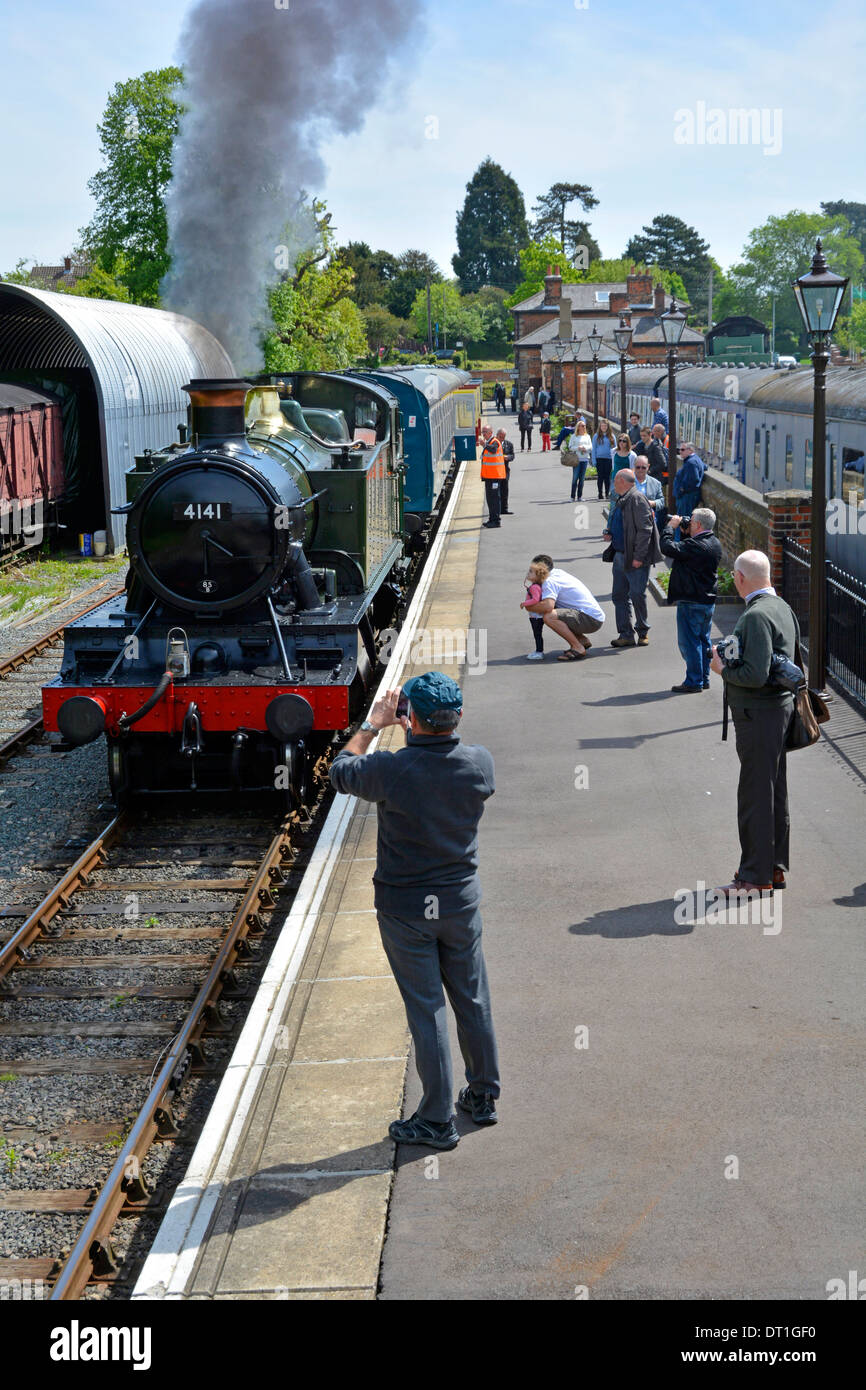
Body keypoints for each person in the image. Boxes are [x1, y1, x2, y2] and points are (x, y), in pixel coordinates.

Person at [329, 674, 499, 1148]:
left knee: (427, 1011)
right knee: (473, 999)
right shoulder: (479, 763)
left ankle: (435, 1119)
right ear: (458, 716)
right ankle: (482, 1096)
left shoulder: (389, 769)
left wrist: (372, 723)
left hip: (406, 909)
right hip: (461, 903)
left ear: (410, 719)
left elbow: (340, 769)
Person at [709, 551, 799, 897]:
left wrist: (722, 670)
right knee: (774, 791)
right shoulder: (782, 608)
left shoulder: (757, 616)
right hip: (778, 712)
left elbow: (754, 674)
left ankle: (753, 878)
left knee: (755, 796)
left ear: (740, 578)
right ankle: (773, 869)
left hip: (758, 715)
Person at [659, 507, 723, 692]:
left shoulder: (696, 546)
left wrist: (671, 527)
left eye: (692, 520)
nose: (689, 522)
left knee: (690, 643)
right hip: (706, 601)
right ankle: (703, 678)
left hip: (692, 601)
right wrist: (687, 534)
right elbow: (688, 555)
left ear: (698, 524)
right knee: (704, 641)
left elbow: (667, 547)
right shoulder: (714, 543)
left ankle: (694, 682)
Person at [602, 469, 661, 647]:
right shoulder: (622, 498)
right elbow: (619, 521)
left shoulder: (636, 499)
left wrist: (638, 557)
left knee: (636, 595)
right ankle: (626, 634)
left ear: (622, 481)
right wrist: (609, 531)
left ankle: (642, 631)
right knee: (619, 596)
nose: (613, 483)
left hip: (634, 558)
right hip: (620, 554)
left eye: (615, 480)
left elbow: (645, 531)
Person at [521, 553, 605, 661]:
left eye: (532, 570)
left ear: (540, 571)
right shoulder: (558, 572)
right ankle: (582, 640)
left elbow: (548, 606)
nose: (529, 572)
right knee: (557, 611)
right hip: (593, 616)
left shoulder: (549, 581)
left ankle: (578, 647)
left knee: (549, 616)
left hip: (590, 619)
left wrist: (529, 607)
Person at [673, 441, 706, 521]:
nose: (680, 451)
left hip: (687, 498)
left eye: (682, 450)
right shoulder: (694, 460)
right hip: (687, 497)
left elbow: (694, 480)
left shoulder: (691, 463)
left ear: (690, 450)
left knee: (682, 522)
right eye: (679, 449)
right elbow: (705, 467)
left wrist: (681, 490)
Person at [479, 426, 505, 527]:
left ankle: (496, 521)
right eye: (482, 432)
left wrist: (484, 444)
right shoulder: (489, 442)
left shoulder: (495, 441)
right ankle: (491, 519)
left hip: (495, 476)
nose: (483, 434)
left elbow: (493, 450)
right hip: (489, 476)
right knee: (490, 499)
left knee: (494, 499)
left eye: (485, 432)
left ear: (491, 432)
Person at [520, 562, 546, 660]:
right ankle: (538, 650)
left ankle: (539, 652)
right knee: (537, 633)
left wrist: (524, 603)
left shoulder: (534, 587)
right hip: (535, 615)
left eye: (531, 572)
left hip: (536, 616)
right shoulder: (536, 586)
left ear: (537, 576)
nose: (528, 573)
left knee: (537, 634)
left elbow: (535, 599)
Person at [563, 419, 592, 500]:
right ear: (578, 427)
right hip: (576, 460)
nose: (583, 427)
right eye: (581, 425)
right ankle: (572, 497)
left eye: (584, 426)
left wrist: (585, 448)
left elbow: (591, 447)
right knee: (575, 478)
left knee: (582, 479)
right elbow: (570, 447)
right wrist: (578, 448)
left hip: (585, 459)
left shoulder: (587, 436)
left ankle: (579, 496)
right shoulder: (574, 436)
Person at [591, 419, 615, 499]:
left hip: (608, 459)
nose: (604, 427)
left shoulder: (612, 436)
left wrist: (614, 461)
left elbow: (615, 449)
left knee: (607, 477)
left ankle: (607, 493)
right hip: (599, 459)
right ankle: (600, 493)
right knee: (600, 477)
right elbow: (593, 449)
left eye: (605, 426)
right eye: (602, 426)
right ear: (600, 427)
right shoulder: (596, 436)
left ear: (608, 427)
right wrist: (593, 460)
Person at [496, 427, 514, 512]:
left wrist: (508, 457)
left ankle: (504, 508)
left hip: (505, 470)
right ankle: (497, 508)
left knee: (505, 489)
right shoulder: (493, 444)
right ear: (497, 435)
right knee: (497, 491)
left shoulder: (509, 444)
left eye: (503, 437)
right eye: (500, 436)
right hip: (495, 471)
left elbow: (512, 455)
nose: (501, 438)